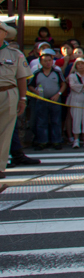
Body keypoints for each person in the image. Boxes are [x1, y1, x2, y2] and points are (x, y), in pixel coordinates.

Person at [0, 21, 30, 180]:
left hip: (8, 93)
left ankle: (0, 166)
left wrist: (22, 98)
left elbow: (22, 78)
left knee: (6, 131)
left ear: (6, 34)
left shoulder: (15, 53)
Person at [29, 49, 66, 150]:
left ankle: (56, 141)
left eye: (49, 60)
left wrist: (59, 94)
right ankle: (42, 142)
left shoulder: (57, 72)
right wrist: (35, 92)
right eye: (45, 61)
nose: (47, 62)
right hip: (41, 100)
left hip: (55, 100)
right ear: (41, 62)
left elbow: (63, 84)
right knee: (41, 122)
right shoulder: (36, 73)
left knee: (56, 121)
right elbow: (30, 86)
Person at [67, 58, 84, 148]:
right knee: (76, 119)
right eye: (78, 64)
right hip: (75, 100)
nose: (80, 66)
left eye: (82, 64)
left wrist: (81, 87)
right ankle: (76, 140)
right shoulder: (72, 76)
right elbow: (73, 86)